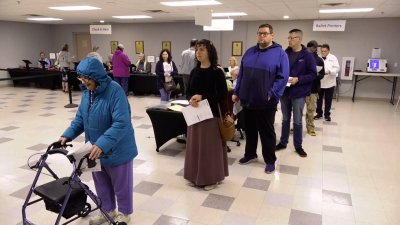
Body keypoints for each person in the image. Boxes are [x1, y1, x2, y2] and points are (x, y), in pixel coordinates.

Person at [58, 56, 138, 225]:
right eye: (81, 77)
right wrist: (67, 134)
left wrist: (102, 143)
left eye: (87, 78)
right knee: (101, 183)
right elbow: (80, 118)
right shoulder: (88, 93)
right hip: (94, 149)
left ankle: (124, 213)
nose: (84, 81)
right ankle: (107, 210)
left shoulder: (115, 91)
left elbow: (121, 122)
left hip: (118, 149)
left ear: (97, 76)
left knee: (121, 185)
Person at [232, 23, 289, 173]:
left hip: (266, 101)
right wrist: (237, 92)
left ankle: (270, 160)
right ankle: (250, 154)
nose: (262, 36)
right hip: (247, 99)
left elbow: (282, 77)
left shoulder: (280, 54)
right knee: (249, 129)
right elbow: (241, 74)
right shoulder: (250, 52)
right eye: (259, 33)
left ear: (272, 35)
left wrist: (272, 93)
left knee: (267, 132)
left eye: (265, 33)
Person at [184, 39, 228, 190]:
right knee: (195, 147)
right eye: (197, 50)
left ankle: (212, 178)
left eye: (202, 49)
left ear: (210, 52)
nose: (198, 52)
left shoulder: (217, 72)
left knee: (209, 148)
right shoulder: (194, 71)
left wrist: (203, 97)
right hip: (195, 114)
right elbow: (188, 91)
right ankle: (195, 176)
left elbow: (222, 94)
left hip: (211, 115)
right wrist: (191, 98)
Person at [275, 29, 317, 158]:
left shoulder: (307, 55)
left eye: (292, 38)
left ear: (299, 39)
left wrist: (299, 79)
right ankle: (283, 142)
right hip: (285, 92)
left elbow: (313, 74)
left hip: (299, 92)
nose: (289, 40)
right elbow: (279, 69)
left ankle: (298, 146)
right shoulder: (284, 53)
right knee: (285, 119)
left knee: (297, 121)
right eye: (288, 37)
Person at [315, 43, 340, 122]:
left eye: (325, 51)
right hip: (320, 82)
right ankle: (319, 113)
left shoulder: (333, 58)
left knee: (328, 99)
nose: (323, 53)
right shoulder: (318, 57)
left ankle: (327, 115)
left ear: (328, 51)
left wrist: (330, 71)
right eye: (322, 51)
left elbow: (337, 68)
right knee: (319, 99)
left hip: (330, 82)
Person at [305, 40, 325, 136]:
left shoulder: (319, 60)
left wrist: (316, 75)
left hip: (313, 89)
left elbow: (322, 74)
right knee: (297, 110)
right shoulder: (302, 57)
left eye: (316, 47)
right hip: (301, 88)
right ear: (308, 47)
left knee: (311, 109)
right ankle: (296, 126)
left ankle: (310, 127)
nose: (315, 49)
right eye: (313, 47)